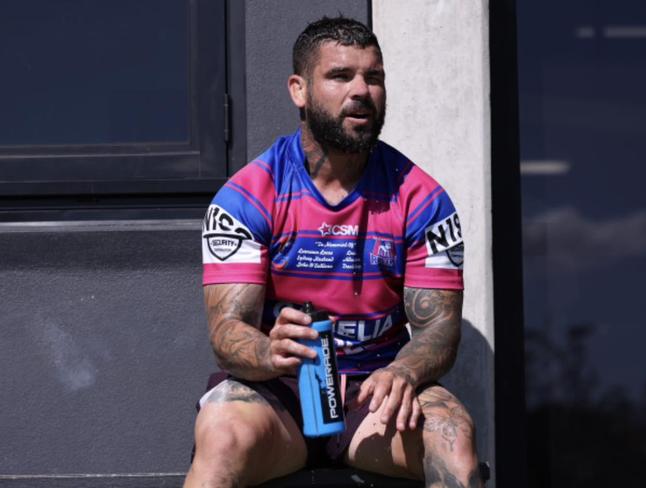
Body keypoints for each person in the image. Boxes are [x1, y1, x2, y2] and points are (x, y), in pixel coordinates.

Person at [185, 16, 482, 488]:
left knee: (452, 437)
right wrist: (268, 349)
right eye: (341, 76)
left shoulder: (423, 199)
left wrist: (404, 369)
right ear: (299, 90)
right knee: (220, 434)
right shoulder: (247, 196)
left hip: (375, 397)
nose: (362, 90)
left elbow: (440, 330)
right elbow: (226, 333)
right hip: (276, 397)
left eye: (374, 77)